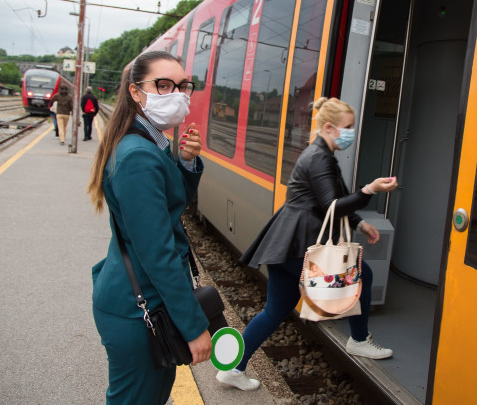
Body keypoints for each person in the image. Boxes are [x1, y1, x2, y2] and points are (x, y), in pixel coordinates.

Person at [215, 97, 398, 391]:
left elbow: (333, 199)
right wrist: (369, 190)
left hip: (285, 242)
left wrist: (359, 223)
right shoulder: (319, 158)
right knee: (363, 274)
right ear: (328, 127)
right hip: (299, 244)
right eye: (347, 127)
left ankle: (233, 369)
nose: (351, 132)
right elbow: (331, 206)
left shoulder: (321, 155)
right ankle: (359, 340)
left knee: (275, 310)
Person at [87, 50, 210, 404]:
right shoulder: (139, 155)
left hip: (141, 303)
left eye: (183, 85)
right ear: (136, 92)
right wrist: (194, 326)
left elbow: (167, 210)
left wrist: (185, 163)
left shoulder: (147, 143)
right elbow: (158, 253)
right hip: (138, 310)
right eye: (163, 85)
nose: (177, 94)